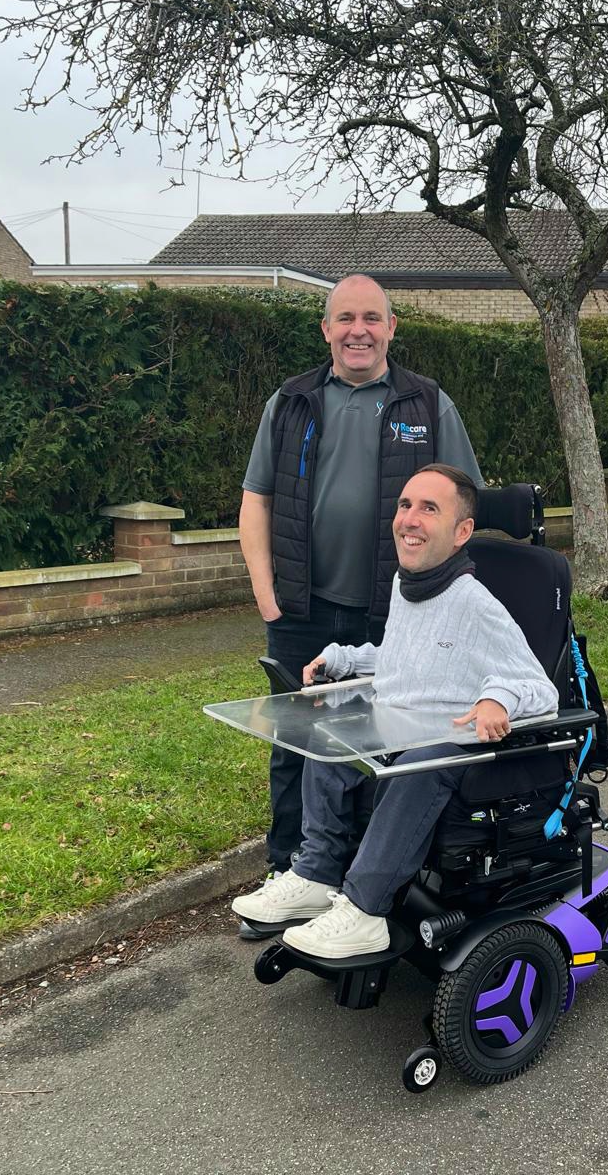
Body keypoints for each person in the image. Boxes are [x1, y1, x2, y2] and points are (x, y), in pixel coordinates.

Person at [231, 464, 558, 958]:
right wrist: (344, 658)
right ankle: (317, 873)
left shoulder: (474, 603)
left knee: (416, 768)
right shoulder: (410, 587)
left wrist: (497, 699)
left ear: (461, 532)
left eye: (430, 508)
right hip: (396, 727)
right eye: (405, 505)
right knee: (326, 729)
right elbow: (402, 660)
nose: (410, 518)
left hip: (447, 748)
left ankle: (365, 911)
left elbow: (538, 686)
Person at [238, 274, 483, 883]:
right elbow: (256, 499)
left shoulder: (427, 404)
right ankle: (289, 871)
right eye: (345, 318)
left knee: (387, 741)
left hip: (395, 610)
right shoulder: (289, 403)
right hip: (302, 610)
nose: (359, 331)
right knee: (297, 744)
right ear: (326, 330)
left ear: (391, 328)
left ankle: (366, 878)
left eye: (372, 318)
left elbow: (461, 506)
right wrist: (268, 596)